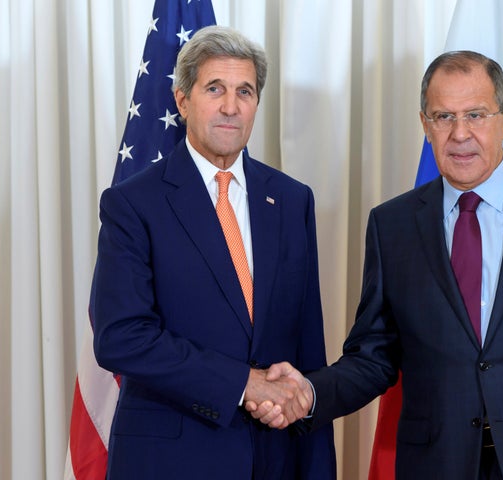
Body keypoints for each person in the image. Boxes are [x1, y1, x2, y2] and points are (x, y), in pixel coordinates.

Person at [250, 51, 503, 479]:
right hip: (437, 465)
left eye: (476, 115)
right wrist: (307, 392)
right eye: (443, 117)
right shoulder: (393, 225)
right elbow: (373, 357)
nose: (460, 134)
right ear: (425, 125)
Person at [90, 25, 335, 479]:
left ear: (257, 103)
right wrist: (243, 384)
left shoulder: (292, 199)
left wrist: (316, 463)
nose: (230, 106)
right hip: (171, 461)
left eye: (245, 91)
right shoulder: (133, 203)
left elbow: (308, 345)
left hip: (274, 458)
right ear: (183, 101)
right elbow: (120, 337)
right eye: (214, 89)